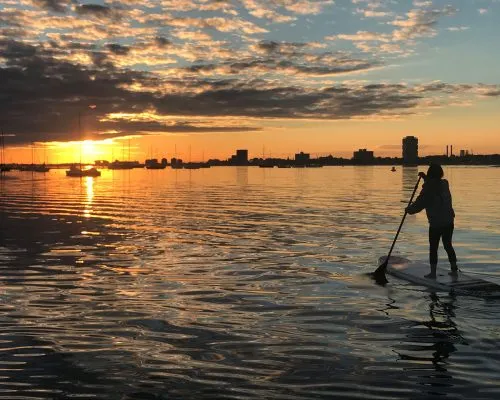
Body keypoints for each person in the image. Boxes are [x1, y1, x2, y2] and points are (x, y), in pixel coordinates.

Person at [406, 163, 458, 279]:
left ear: (430, 174)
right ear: (441, 174)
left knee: (433, 247)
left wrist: (409, 210)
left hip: (436, 223)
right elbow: (435, 184)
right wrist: (425, 178)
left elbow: (419, 204)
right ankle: (454, 269)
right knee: (448, 245)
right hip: (449, 221)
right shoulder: (445, 184)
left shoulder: (428, 190)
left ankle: (433, 273)